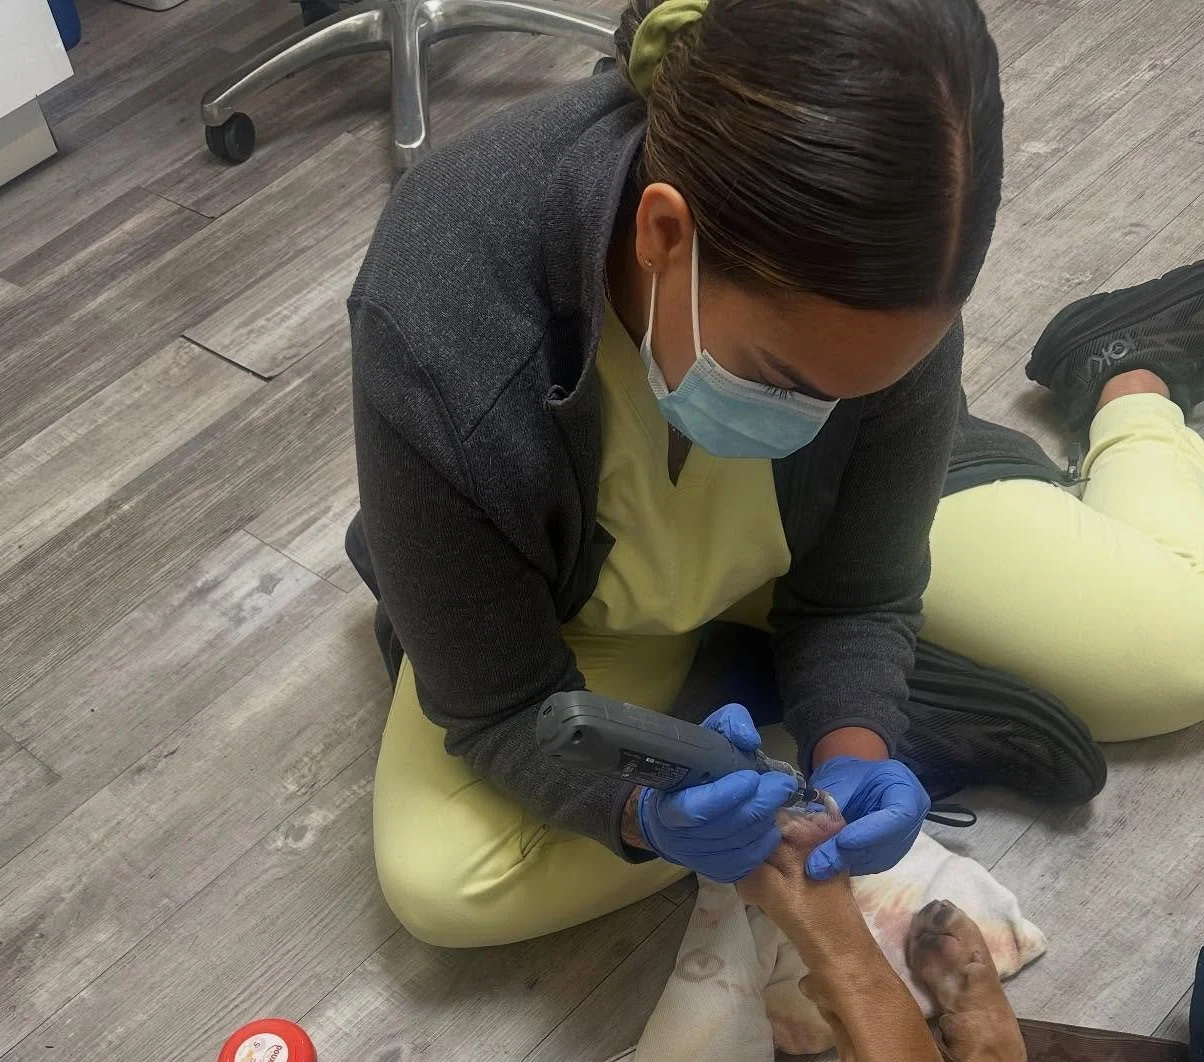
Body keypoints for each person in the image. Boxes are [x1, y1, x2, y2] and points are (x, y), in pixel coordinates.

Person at [347, 0, 1204, 948]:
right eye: (785, 382)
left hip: (810, 533)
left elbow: (861, 588)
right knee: (446, 884)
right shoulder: (442, 327)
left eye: (863, 388)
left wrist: (853, 747)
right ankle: (807, 687)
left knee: (1179, 656)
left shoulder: (885, 290)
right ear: (663, 235)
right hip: (587, 597)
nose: (812, 418)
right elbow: (502, 706)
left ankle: (1130, 371)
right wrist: (642, 813)